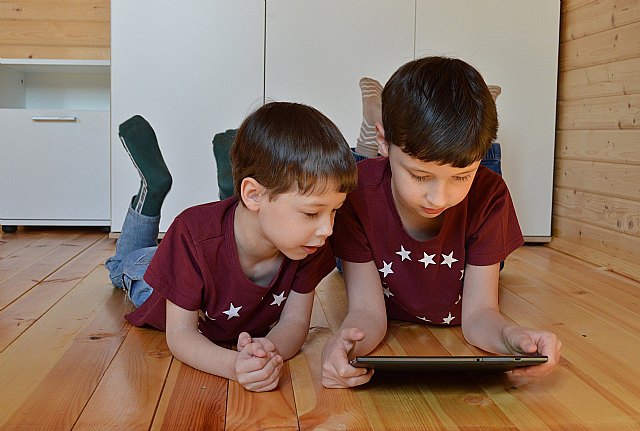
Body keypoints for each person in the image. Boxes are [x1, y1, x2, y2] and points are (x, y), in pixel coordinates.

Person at [321, 56, 562, 388]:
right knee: (354, 173)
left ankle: (473, 127)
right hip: (373, 224)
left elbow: (479, 314)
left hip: (456, 242)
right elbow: (367, 312)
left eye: (461, 176)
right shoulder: (357, 195)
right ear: (385, 142)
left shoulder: (489, 195)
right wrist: (345, 346)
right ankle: (374, 125)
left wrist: (513, 337)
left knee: (484, 176)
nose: (438, 198)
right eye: (420, 176)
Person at [105, 102, 357, 392]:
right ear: (254, 195)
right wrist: (234, 365)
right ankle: (152, 189)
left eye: (335, 211)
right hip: (161, 277)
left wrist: (266, 352)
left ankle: (229, 193)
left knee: (223, 237)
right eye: (312, 213)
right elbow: (181, 335)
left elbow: (295, 323)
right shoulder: (191, 233)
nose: (328, 229)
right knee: (122, 265)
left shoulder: (308, 243)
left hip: (222, 247)